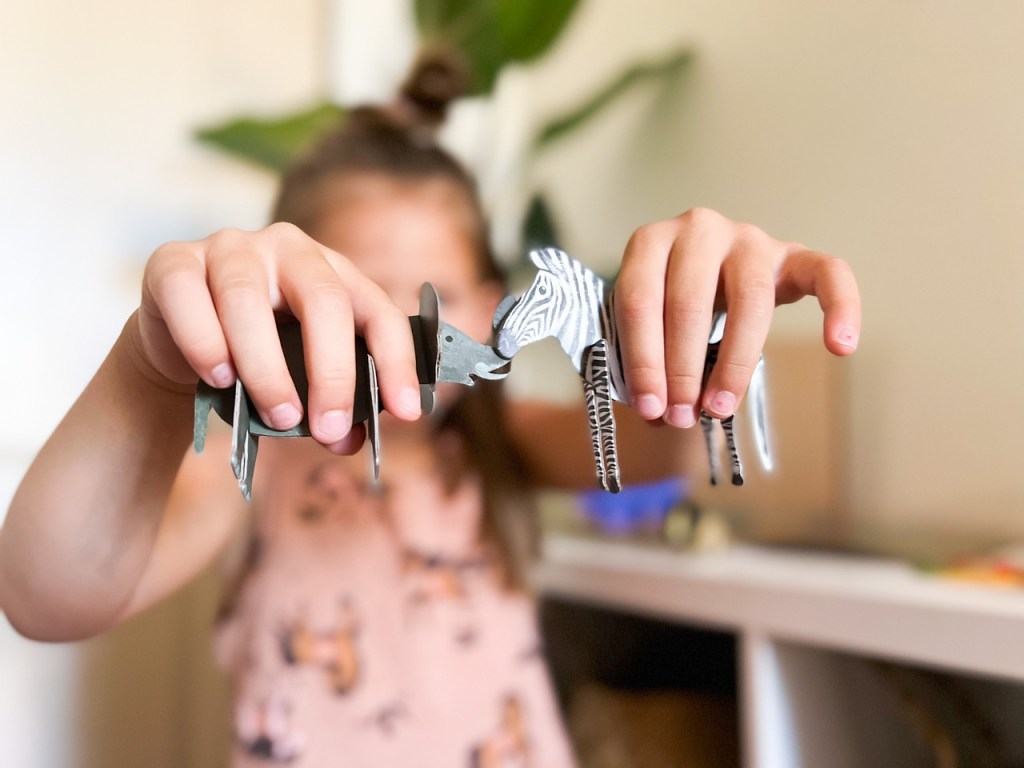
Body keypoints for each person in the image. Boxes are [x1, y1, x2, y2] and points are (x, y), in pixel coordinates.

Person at [0, 53, 860, 766]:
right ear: (286, 310)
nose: (403, 331)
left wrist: (685, 333)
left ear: (491, 305)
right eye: (361, 295)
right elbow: (46, 597)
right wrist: (146, 376)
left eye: (436, 297)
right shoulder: (247, 469)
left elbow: (654, 447)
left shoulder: (502, 445)